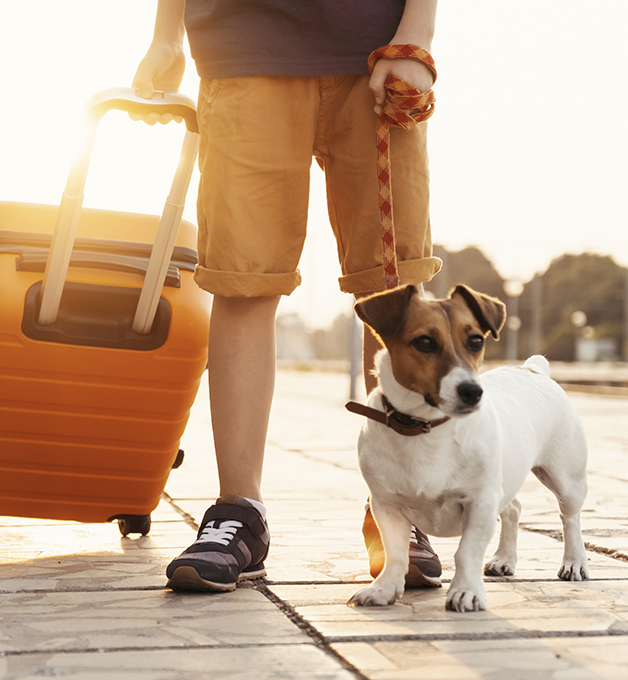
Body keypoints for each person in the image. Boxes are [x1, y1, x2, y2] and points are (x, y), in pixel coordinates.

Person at [133, 0, 444, 593]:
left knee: (394, 291)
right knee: (242, 283)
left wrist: (417, 34)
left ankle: (400, 511)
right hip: (240, 46)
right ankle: (238, 514)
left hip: (377, 48)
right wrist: (165, 33)